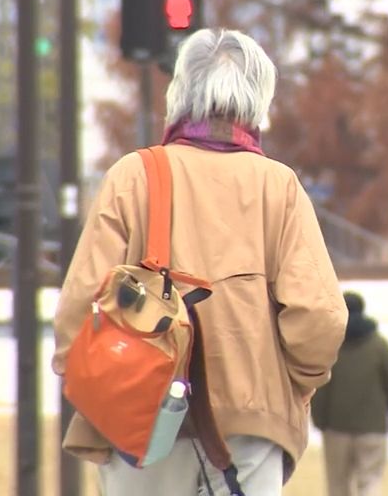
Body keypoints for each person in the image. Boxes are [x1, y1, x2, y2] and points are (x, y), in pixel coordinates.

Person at [51, 28, 348, 496]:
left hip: (138, 427)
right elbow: (320, 318)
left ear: (180, 94)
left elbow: (77, 312)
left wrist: (101, 389)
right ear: (258, 99)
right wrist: (291, 387)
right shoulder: (278, 187)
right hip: (250, 432)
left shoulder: (133, 176)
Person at [311, 291, 388, 496]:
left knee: (337, 484)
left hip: (336, 427)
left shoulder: (330, 345)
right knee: (370, 481)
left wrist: (319, 419)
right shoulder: (379, 345)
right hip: (372, 428)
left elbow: (321, 385)